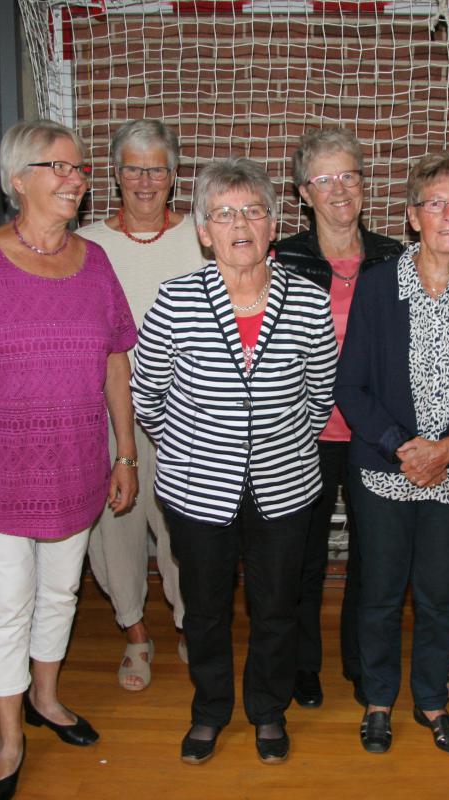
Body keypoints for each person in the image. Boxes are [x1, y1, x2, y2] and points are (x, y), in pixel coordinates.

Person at [0, 120, 138, 799]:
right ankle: (10, 736)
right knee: (7, 606)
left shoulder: (94, 263)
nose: (75, 179)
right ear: (18, 179)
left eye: (79, 169)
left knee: (61, 593)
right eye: (59, 167)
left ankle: (46, 698)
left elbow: (116, 364)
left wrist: (125, 455)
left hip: (76, 466)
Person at [131, 157, 337, 765]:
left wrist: (275, 445)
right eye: (223, 214)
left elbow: (319, 396)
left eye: (252, 211)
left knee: (276, 607)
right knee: (205, 609)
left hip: (285, 484)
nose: (240, 224)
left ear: (273, 225)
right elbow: (147, 395)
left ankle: (268, 710)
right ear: (203, 231)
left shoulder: (309, 301)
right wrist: (195, 449)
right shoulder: (175, 300)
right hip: (196, 487)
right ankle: (210, 709)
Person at [335, 153, 449, 755]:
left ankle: (432, 700)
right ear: (413, 217)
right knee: (381, 593)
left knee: (440, 596)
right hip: (385, 471)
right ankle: (378, 700)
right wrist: (402, 449)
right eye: (436, 203)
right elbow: (350, 387)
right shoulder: (378, 286)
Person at [272, 125, 404, 709]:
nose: (339, 189)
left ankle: (361, 662)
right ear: (304, 192)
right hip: (304, 435)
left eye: (349, 175)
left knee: (374, 558)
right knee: (302, 557)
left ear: (363, 184)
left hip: (376, 434)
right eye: (324, 179)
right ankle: (303, 666)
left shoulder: (394, 258)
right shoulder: (283, 259)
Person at [79, 120, 201, 691]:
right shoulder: (88, 245)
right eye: (134, 168)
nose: (145, 181)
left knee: (184, 530)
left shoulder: (202, 235)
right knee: (116, 529)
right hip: (109, 412)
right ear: (116, 173)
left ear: (174, 175)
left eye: (156, 169)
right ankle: (135, 633)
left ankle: (190, 623)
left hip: (190, 415)